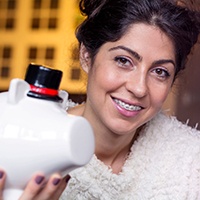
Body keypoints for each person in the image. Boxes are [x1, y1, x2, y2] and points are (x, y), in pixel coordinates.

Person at [0, 0, 200, 199]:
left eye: (160, 72)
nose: (139, 88)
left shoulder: (191, 164)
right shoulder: (18, 140)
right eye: (123, 60)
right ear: (86, 56)